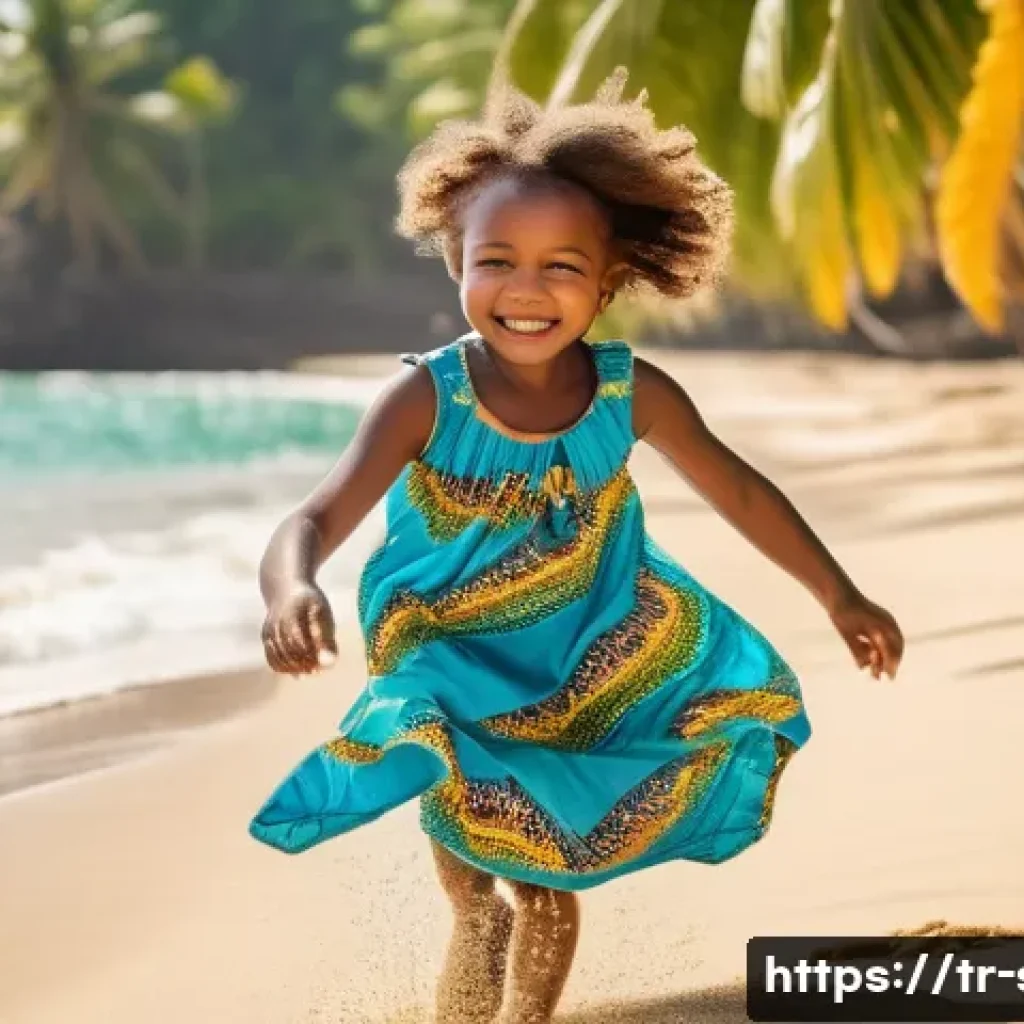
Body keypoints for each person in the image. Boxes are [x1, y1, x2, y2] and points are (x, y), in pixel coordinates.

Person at [249, 68, 904, 1024]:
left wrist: (838, 595)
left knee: (549, 880)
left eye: (562, 266)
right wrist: (289, 588)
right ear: (455, 264)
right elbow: (310, 518)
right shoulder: (427, 396)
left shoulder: (629, 394)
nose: (526, 289)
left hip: (580, 660)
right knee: (476, 885)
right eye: (497, 260)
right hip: (445, 658)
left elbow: (740, 491)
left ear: (610, 279)